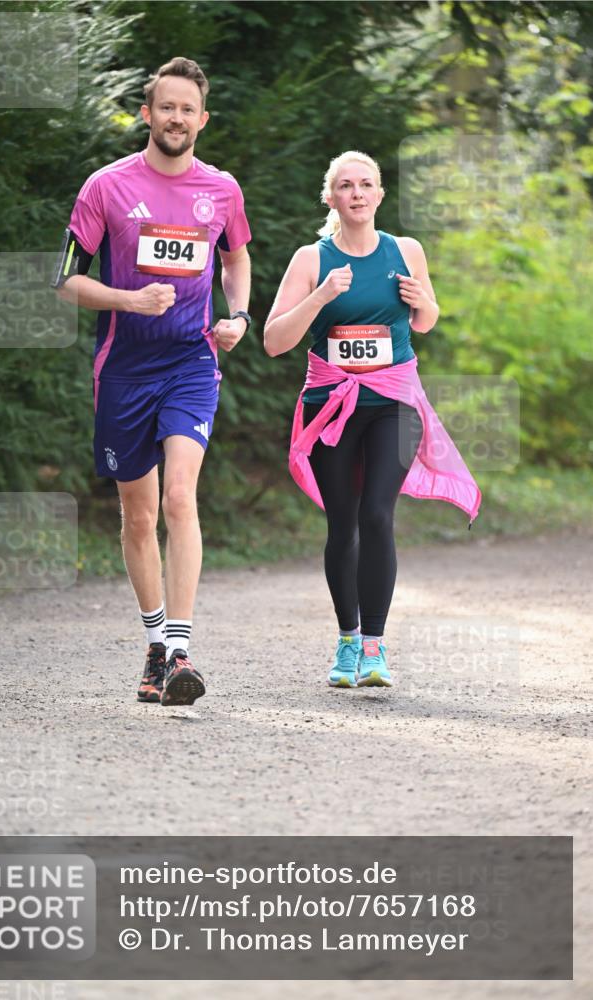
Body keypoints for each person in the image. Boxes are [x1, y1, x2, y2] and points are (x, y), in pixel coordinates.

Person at [53, 57, 252, 706]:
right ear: (147, 114)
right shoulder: (105, 187)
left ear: (203, 119)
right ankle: (154, 643)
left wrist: (238, 316)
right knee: (137, 516)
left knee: (178, 500)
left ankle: (180, 650)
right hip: (123, 370)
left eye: (187, 108)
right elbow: (64, 281)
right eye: (165, 106)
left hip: (190, 367)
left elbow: (235, 257)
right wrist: (125, 300)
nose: (176, 117)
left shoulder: (221, 189)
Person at [264, 150, 480, 690]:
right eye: (345, 185)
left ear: (380, 195)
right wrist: (321, 296)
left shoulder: (405, 250)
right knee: (345, 521)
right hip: (332, 405)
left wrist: (422, 299)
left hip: (395, 401)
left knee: (379, 515)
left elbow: (426, 321)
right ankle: (345, 642)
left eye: (366, 184)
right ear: (331, 197)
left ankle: (375, 648)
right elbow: (273, 342)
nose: (356, 193)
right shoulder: (310, 260)